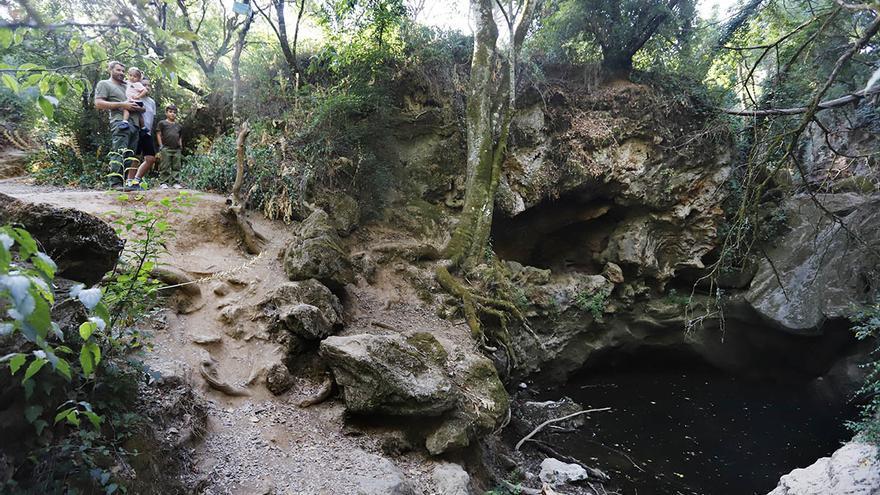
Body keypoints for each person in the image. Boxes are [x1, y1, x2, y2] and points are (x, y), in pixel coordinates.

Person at [94, 61, 143, 187]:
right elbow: (98, 103)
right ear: (110, 70)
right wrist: (122, 105)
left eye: (122, 71)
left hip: (135, 123)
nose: (121, 73)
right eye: (118, 70)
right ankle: (115, 183)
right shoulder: (105, 84)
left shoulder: (129, 85)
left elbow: (142, 102)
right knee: (120, 152)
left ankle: (124, 183)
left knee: (130, 155)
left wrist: (139, 107)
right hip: (120, 122)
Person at [126, 77, 157, 190]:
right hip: (136, 130)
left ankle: (136, 180)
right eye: (144, 84)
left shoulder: (152, 102)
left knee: (150, 159)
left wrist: (149, 131)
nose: (146, 87)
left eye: (148, 85)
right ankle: (129, 182)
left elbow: (151, 118)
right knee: (135, 157)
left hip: (147, 132)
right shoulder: (134, 98)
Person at [156, 104, 183, 188]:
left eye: (174, 112)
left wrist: (180, 145)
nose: (172, 114)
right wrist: (161, 145)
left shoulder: (179, 126)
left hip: (176, 149)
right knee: (165, 165)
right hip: (166, 148)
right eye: (170, 112)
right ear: (166, 113)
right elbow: (158, 134)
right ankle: (164, 182)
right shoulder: (162, 123)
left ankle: (176, 182)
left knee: (176, 166)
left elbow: (180, 136)